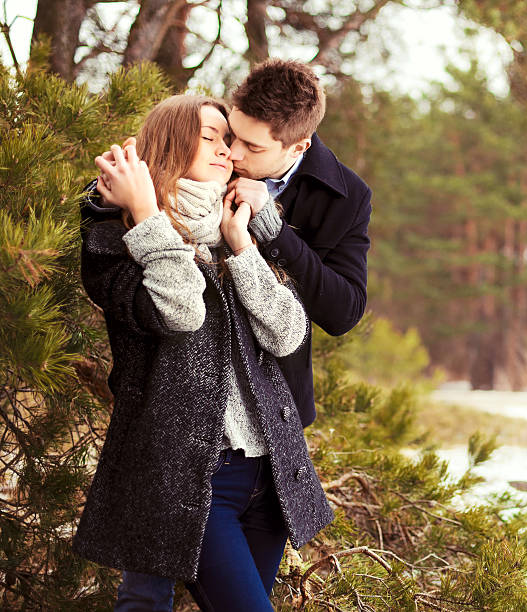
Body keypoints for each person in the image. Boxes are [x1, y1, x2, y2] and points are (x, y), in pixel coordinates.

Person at [72, 94, 334, 611]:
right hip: (192, 471)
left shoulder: (236, 223)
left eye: (229, 140)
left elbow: (287, 333)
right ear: (171, 142)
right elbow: (180, 312)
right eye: (210, 136)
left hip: (270, 471)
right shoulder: (117, 234)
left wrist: (242, 249)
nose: (228, 150)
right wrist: (148, 212)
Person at [85, 58, 373, 432]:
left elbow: (342, 312)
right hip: (175, 410)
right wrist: (106, 198)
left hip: (272, 405)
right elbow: (153, 172)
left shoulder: (345, 197)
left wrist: (273, 230)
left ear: (297, 147)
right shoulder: (217, 147)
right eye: (230, 135)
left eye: (251, 147)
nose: (232, 153)